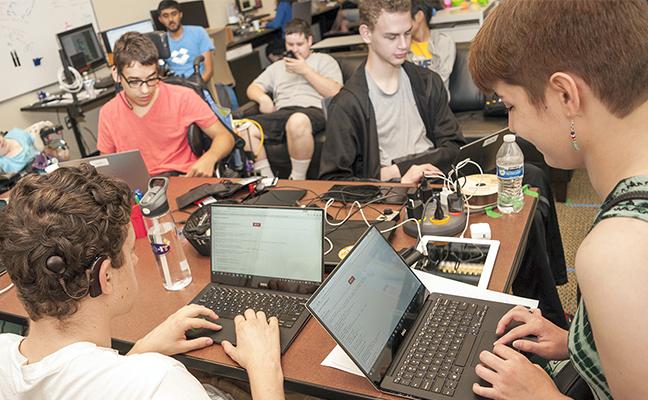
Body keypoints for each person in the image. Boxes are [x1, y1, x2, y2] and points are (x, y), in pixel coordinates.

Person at [467, 1, 648, 399]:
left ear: (565, 94)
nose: (511, 125)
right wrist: (578, 342)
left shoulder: (616, 253)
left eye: (510, 106)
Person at [0, 165, 285, 399]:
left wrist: (137, 354)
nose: (135, 261)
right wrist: (265, 369)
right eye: (131, 251)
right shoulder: (158, 383)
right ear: (106, 276)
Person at [319, 0, 465, 183]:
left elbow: (454, 146)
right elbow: (334, 181)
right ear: (366, 34)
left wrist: (399, 169)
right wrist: (397, 179)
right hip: (383, 198)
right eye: (392, 37)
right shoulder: (347, 104)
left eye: (407, 33)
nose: (404, 45)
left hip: (435, 184)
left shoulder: (428, 82)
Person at [97, 32, 234, 177]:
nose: (145, 90)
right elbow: (105, 168)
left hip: (183, 179)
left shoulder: (183, 97)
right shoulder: (108, 113)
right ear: (116, 75)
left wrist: (210, 158)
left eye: (151, 78)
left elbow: (225, 137)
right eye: (135, 82)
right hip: (141, 189)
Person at [247, 18, 343, 180]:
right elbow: (253, 88)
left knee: (296, 121)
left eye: (299, 44)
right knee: (245, 129)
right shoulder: (278, 66)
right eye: (290, 45)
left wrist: (306, 71)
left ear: (309, 41)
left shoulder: (324, 61)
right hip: (283, 112)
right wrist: (263, 99)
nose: (294, 50)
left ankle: (298, 178)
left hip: (313, 110)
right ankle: (267, 179)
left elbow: (335, 91)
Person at [157, 0, 214, 82]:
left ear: (180, 14)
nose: (171, 19)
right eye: (165, 16)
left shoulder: (199, 32)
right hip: (177, 86)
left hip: (198, 84)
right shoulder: (161, 42)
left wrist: (193, 89)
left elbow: (209, 71)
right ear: (160, 19)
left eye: (174, 14)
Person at [408, 0, 455, 99]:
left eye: (405, 17)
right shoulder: (402, 46)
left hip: (438, 103)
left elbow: (441, 80)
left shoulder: (442, 42)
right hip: (412, 104)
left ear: (419, 16)